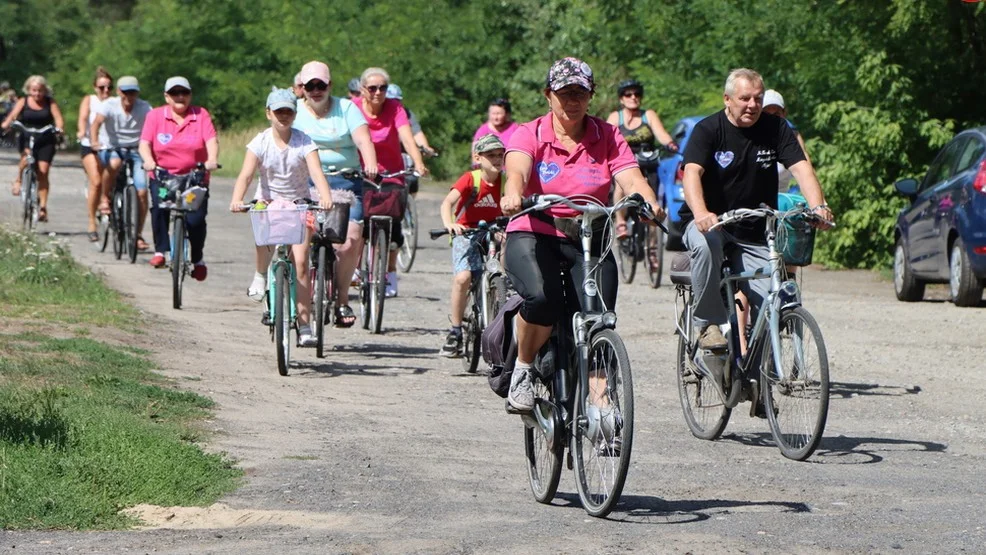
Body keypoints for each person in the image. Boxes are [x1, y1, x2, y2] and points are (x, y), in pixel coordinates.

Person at [498, 57, 665, 411]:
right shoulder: (530, 132)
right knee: (542, 299)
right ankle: (523, 371)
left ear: (591, 95)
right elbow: (517, 167)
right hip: (535, 231)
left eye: (580, 93)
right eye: (564, 93)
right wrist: (513, 193)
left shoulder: (607, 134)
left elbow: (631, 176)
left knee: (599, 317)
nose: (572, 101)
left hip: (590, 236)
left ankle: (601, 404)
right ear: (548, 95)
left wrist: (648, 201)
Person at [679, 68, 833, 352]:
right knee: (705, 245)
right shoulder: (708, 130)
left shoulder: (775, 128)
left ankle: (759, 380)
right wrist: (701, 213)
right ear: (727, 99)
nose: (752, 105)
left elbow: (801, 169)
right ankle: (707, 324)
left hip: (754, 230)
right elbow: (691, 173)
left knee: (771, 305)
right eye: (745, 98)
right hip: (711, 224)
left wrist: (818, 206)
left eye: (758, 99)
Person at [230, 88, 334, 346]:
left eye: (288, 111)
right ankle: (260, 275)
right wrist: (237, 198)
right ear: (269, 114)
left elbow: (317, 173)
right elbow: (246, 174)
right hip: (269, 202)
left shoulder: (304, 141)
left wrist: (325, 195)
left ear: (295, 114)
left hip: (299, 204)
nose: (283, 116)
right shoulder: (260, 142)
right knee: (262, 232)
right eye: (278, 112)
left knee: (300, 264)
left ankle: (304, 324)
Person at [291, 60, 379, 328]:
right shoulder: (293, 111)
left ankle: (341, 300)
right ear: (301, 88)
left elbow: (363, 139)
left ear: (329, 85)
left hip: (345, 181)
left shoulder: (347, 108)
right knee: (298, 240)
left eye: (321, 85)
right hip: (306, 182)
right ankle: (291, 300)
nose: (316, 90)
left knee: (351, 239)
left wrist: (370, 162)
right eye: (310, 86)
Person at [355, 67, 428, 298]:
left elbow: (406, 136)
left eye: (383, 88)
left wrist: (418, 162)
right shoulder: (354, 108)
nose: (378, 92)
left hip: (392, 172)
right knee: (358, 224)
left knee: (394, 223)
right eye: (373, 88)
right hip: (361, 172)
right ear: (362, 89)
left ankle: (390, 272)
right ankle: (357, 267)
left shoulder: (395, 108)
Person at [138, 76, 219, 277]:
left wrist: (212, 159)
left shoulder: (200, 115)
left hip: (195, 177)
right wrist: (149, 161)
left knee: (196, 220)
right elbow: (145, 143)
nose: (180, 97)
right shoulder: (155, 116)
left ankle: (197, 258)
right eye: (175, 93)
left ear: (190, 95)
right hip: (163, 176)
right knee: (159, 209)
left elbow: (211, 140)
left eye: (184, 93)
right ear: (167, 97)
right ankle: (161, 251)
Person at [438, 133, 505, 358]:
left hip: (494, 232)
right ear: (478, 158)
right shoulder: (471, 179)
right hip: (466, 232)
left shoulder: (506, 181)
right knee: (463, 277)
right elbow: (447, 203)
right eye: (490, 155)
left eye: (500, 155)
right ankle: (455, 331)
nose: (497, 160)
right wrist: (450, 225)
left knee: (509, 270)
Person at [606, 79, 677, 238]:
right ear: (621, 99)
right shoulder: (616, 117)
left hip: (647, 160)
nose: (633, 97)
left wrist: (671, 144)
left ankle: (652, 245)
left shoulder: (648, 115)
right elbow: (605, 139)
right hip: (623, 161)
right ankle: (620, 222)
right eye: (628, 94)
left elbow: (661, 134)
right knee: (620, 186)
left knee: (654, 197)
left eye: (637, 94)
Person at [90, 75, 153, 251]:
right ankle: (104, 198)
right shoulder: (109, 105)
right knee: (115, 163)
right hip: (113, 148)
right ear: (119, 92)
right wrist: (95, 142)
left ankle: (137, 234)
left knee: (141, 191)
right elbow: (96, 124)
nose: (129, 96)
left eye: (132, 92)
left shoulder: (145, 107)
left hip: (136, 150)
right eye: (125, 92)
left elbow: (154, 126)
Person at [1, 75, 64, 223]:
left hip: (45, 138)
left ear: (45, 91)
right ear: (29, 90)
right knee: (26, 157)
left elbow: (58, 118)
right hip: (27, 135)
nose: (37, 94)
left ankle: (42, 207)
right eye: (34, 90)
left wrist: (59, 128)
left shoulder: (50, 103)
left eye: (40, 91)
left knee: (43, 170)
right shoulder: (24, 101)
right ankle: (18, 180)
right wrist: (7, 124)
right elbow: (13, 115)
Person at [77, 67, 114, 241]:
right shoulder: (90, 100)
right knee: (96, 181)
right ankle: (92, 222)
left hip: (110, 146)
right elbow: (83, 117)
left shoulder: (115, 102)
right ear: (95, 88)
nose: (105, 91)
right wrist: (81, 131)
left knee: (115, 179)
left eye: (109, 87)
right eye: (101, 87)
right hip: (90, 145)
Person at [762, 89, 811, 192]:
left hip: (786, 194)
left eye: (776, 114)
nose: (771, 119)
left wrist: (820, 203)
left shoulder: (791, 133)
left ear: (784, 113)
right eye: (766, 114)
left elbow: (804, 169)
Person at [386, 84, 436, 156]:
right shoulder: (374, 114)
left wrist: (426, 148)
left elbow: (416, 133)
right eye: (389, 100)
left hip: (401, 153)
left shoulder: (406, 113)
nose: (392, 103)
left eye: (396, 100)